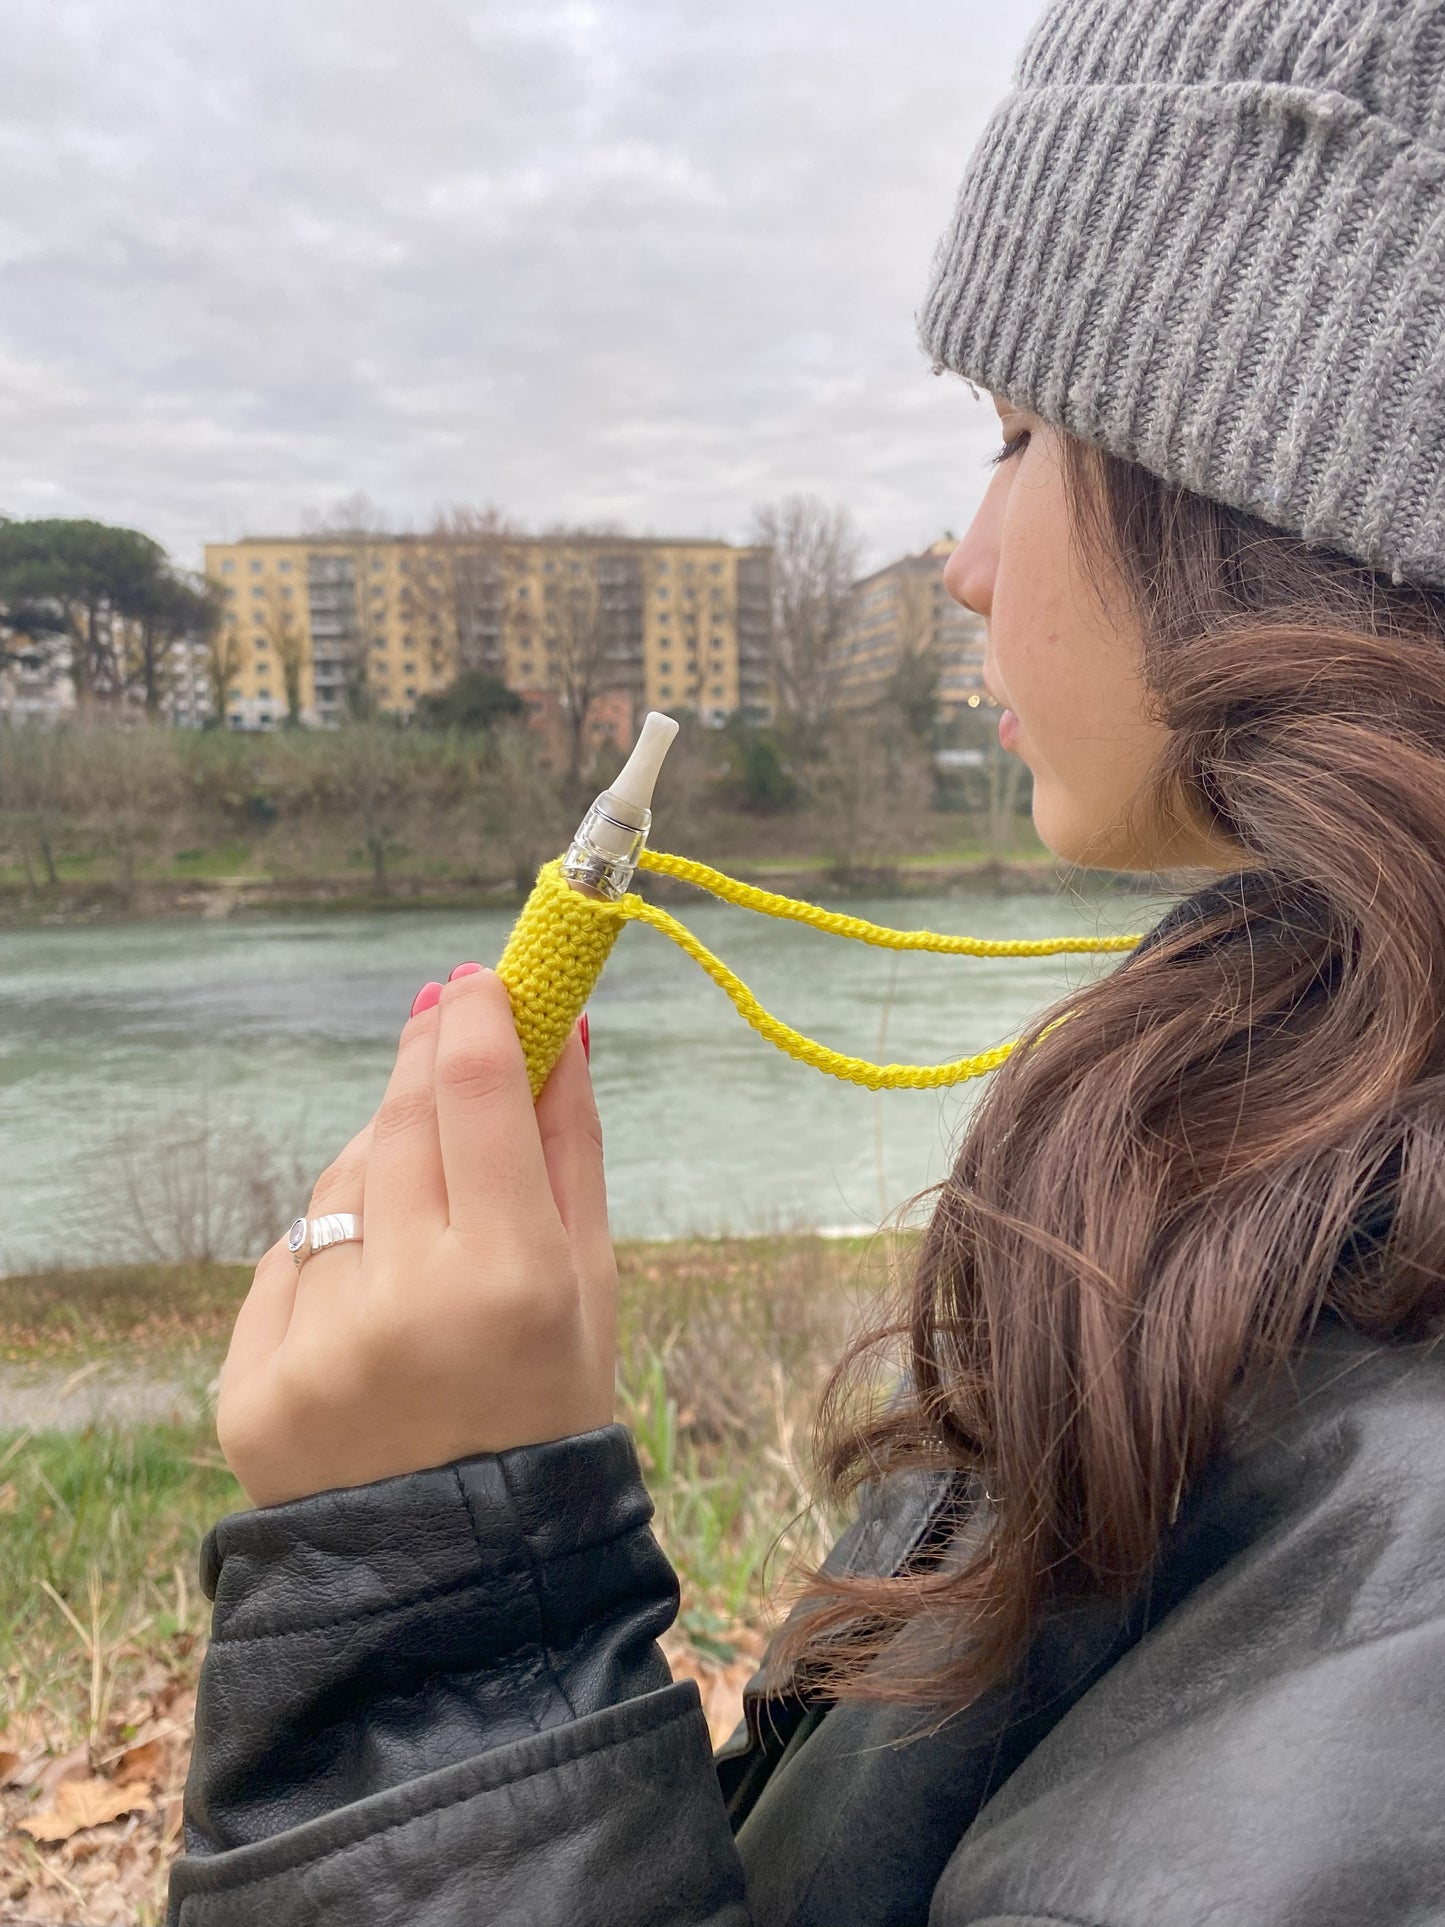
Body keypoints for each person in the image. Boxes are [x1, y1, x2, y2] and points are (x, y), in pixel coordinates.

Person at [167, 0, 1445, 1920]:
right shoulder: (1307, 1148)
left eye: (1020, 431)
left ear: (1290, 477)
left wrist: (444, 1631)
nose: (963, 559)